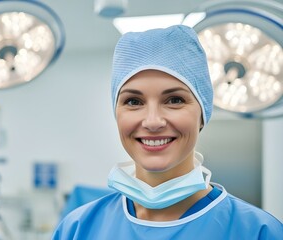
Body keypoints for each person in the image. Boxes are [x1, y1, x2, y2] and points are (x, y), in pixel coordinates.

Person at [51, 25, 283, 239]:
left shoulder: (256, 231)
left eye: (174, 99)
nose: (152, 121)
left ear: (202, 114)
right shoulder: (78, 229)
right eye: (133, 101)